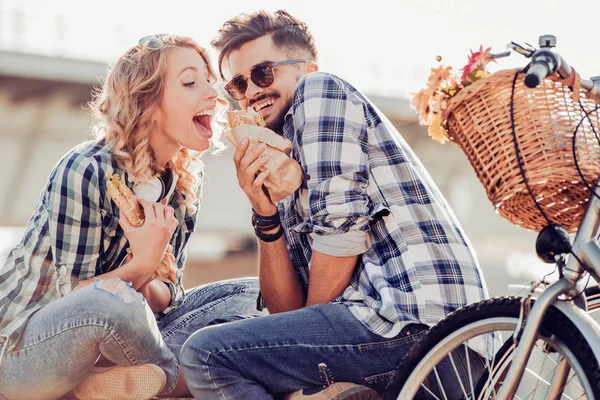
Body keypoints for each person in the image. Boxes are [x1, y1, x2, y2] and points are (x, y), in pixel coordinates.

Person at [178, 10, 490, 400]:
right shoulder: (283, 163)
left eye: (263, 73)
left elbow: (341, 239)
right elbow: (285, 313)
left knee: (208, 355)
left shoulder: (318, 90)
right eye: (237, 86)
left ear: (306, 67)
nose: (250, 93)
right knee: (238, 339)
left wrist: (295, 360)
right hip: (404, 340)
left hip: (420, 328)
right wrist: (264, 211)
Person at [0, 34, 262, 400]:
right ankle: (173, 379)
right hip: (23, 348)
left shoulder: (184, 183)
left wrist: (151, 283)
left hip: (128, 335)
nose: (214, 94)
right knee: (108, 302)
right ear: (147, 101)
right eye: (190, 82)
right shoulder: (86, 168)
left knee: (252, 293)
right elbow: (74, 300)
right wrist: (143, 265)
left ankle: (112, 382)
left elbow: (172, 295)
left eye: (207, 79)